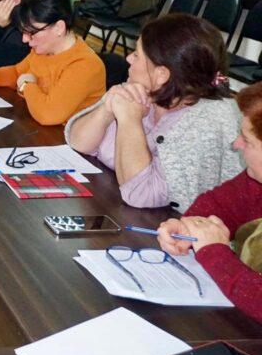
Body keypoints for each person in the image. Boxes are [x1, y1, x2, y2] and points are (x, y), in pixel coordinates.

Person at [66, 14, 242, 210]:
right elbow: (78, 142)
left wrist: (130, 120)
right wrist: (106, 110)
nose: (128, 58)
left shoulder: (205, 121)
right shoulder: (144, 89)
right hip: (115, 204)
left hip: (168, 222)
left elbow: (142, 194)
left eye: (137, 55)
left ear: (162, 75)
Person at [156, 81, 262, 323]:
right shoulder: (256, 180)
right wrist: (188, 228)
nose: (236, 144)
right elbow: (217, 205)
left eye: (247, 141)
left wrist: (214, 252)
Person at [0, 0, 106, 126]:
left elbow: (48, 115)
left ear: (59, 28)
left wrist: (27, 85)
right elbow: (17, 72)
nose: (25, 39)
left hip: (66, 139)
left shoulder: (85, 65)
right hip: (40, 130)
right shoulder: (43, 50)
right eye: (23, 32)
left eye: (31, 32)